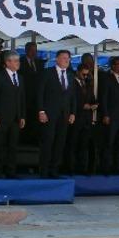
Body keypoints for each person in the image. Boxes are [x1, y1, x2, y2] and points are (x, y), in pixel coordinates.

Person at [37, 50, 77, 178]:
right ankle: (43, 170)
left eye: (68, 58)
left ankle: (54, 170)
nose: (67, 60)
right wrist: (41, 110)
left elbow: (72, 96)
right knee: (48, 141)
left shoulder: (70, 75)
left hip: (64, 114)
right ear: (57, 59)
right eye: (64, 57)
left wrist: (72, 112)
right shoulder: (48, 73)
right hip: (49, 113)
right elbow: (40, 93)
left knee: (60, 143)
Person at [0, 50, 25, 178]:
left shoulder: (20, 78)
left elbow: (21, 99)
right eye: (15, 61)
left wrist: (22, 116)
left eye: (18, 61)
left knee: (13, 146)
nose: (18, 63)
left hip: (15, 117)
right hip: (2, 117)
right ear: (8, 62)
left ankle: (11, 171)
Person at [67, 63, 98, 175]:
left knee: (84, 144)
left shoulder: (88, 84)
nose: (85, 77)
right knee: (73, 143)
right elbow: (71, 99)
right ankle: (71, 167)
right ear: (78, 72)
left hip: (86, 119)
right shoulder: (72, 83)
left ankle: (82, 168)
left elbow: (92, 99)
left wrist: (94, 105)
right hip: (76, 117)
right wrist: (82, 106)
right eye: (83, 74)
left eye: (87, 75)